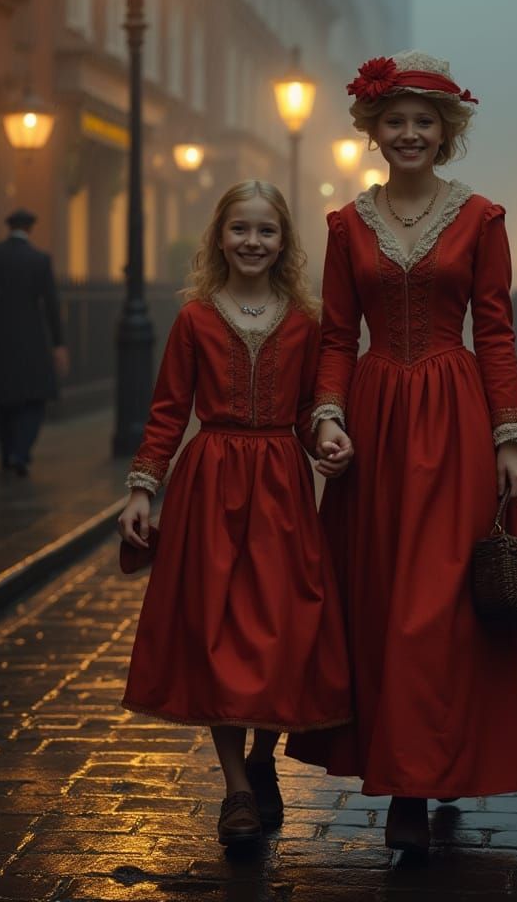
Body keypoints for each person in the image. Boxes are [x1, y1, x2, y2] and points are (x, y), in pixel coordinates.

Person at [286, 51, 517, 852]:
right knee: (383, 604)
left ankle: (433, 769)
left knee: (443, 608)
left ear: (446, 134)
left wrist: (509, 436)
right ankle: (406, 781)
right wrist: (328, 418)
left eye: (424, 122)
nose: (408, 133)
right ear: (373, 130)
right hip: (375, 421)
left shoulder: (482, 219)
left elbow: (498, 331)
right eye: (395, 120)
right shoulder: (347, 225)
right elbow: (338, 336)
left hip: (455, 415)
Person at [117, 180, 352, 849]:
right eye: (240, 229)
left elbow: (312, 411)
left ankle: (262, 754)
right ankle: (237, 791)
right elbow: (167, 413)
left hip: (280, 486)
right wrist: (142, 490)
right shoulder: (194, 318)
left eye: (266, 231)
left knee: (284, 630)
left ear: (284, 243)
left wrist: (326, 441)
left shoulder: (303, 322)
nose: (253, 242)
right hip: (209, 489)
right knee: (217, 636)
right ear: (220, 237)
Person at [0, 209, 68, 476]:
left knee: (5, 399)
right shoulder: (39, 259)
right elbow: (51, 303)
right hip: (32, 335)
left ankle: (7, 453)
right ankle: (21, 451)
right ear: (30, 229)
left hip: (1, 334)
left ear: (9, 227)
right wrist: (59, 343)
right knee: (34, 398)